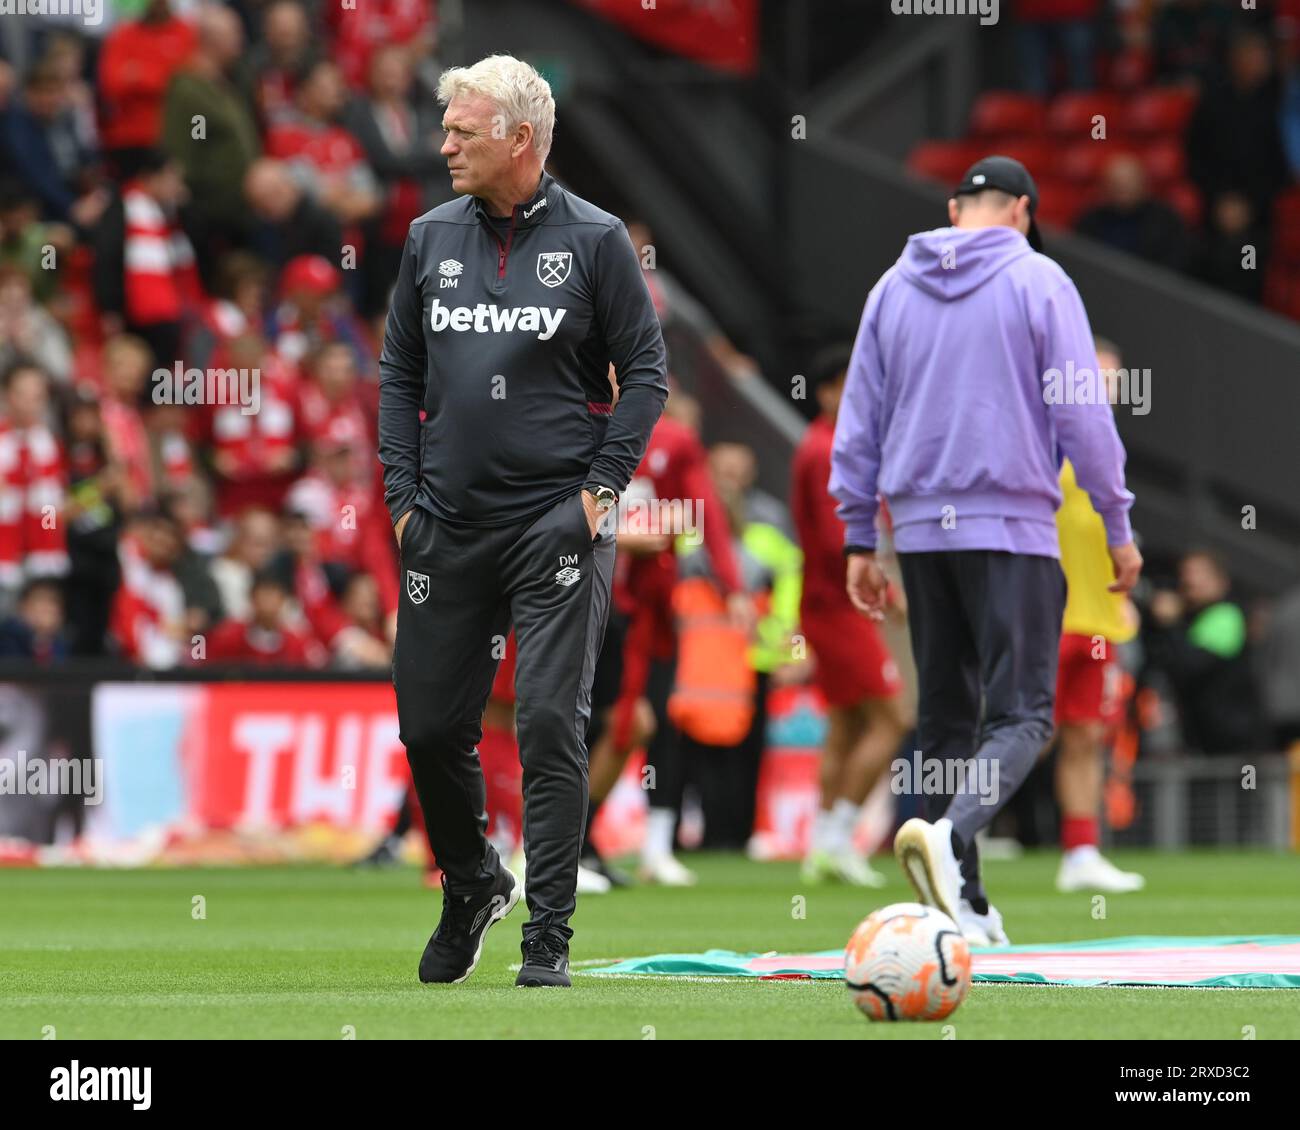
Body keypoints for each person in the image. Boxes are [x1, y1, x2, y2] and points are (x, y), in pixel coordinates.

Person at [378, 54, 667, 988]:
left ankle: (549, 938)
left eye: (463, 130)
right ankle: (472, 883)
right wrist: (401, 499)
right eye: (446, 126)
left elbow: (647, 376)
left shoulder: (596, 239)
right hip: (446, 527)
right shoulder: (427, 237)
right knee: (428, 731)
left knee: (549, 722)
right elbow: (399, 375)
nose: (445, 143)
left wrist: (598, 496)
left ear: (522, 140)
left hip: (557, 526)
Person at [830, 156, 1141, 944]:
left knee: (943, 717)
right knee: (1024, 714)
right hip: (1011, 527)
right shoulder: (1040, 281)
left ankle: (957, 901)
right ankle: (953, 833)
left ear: (953, 208)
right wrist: (1116, 521)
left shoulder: (890, 288)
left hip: (917, 532)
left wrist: (859, 535)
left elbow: (858, 416)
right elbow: (1083, 417)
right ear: (1025, 212)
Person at [792, 345, 908, 887]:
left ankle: (822, 844)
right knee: (893, 720)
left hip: (832, 605)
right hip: (840, 607)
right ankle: (838, 836)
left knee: (847, 724)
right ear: (828, 391)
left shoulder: (833, 446)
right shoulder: (828, 451)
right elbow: (840, 540)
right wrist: (888, 593)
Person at [1050, 338, 1144, 895]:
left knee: (1085, 736)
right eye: (1097, 376)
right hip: (1046, 617)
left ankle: (1081, 850)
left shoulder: (1108, 446)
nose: (1106, 388)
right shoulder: (1043, 440)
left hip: (1101, 620)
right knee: (1022, 733)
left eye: (1113, 379)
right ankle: (959, 836)